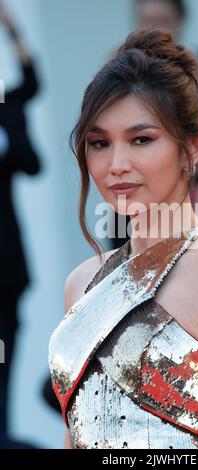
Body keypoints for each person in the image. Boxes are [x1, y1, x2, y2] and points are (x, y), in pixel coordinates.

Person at [48, 27, 198, 449]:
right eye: (99, 143)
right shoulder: (80, 284)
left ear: (193, 147)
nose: (117, 164)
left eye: (141, 139)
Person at [0, 1, 40, 448]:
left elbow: (33, 82)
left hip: (6, 260)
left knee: (5, 348)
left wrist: (12, 30)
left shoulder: (7, 106)